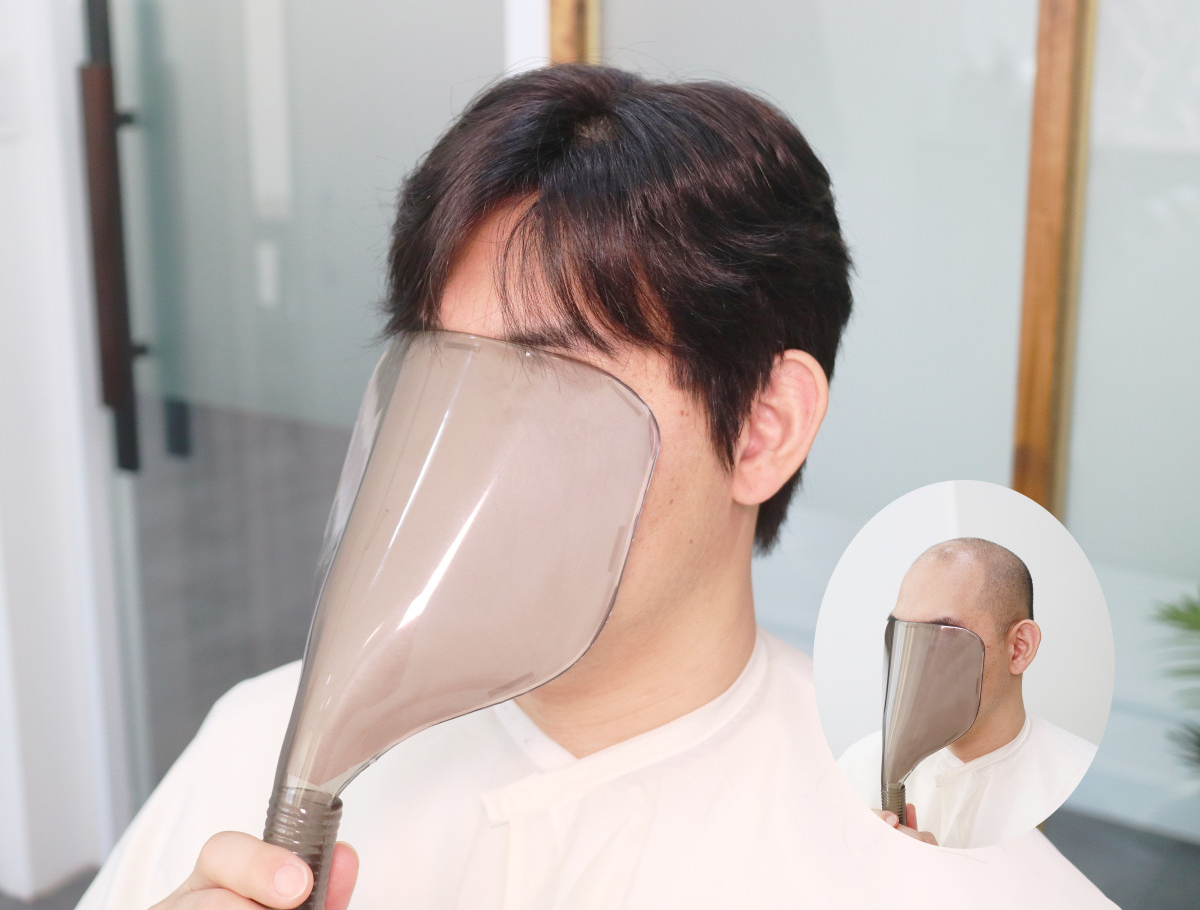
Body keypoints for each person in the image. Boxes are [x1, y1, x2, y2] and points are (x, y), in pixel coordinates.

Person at [78, 66, 1112, 909]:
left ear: (764, 426)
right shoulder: (252, 749)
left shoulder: (953, 880)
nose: (470, 453)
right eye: (443, 377)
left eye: (550, 377)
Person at [838, 537, 1098, 849]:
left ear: (1019, 648)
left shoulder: (1075, 786)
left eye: (943, 633)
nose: (915, 663)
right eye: (903, 632)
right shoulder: (858, 768)